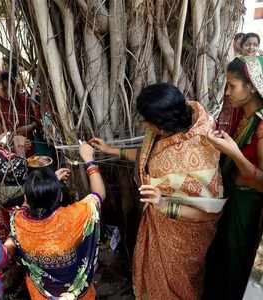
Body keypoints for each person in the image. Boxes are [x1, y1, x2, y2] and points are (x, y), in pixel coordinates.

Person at [90, 83, 225, 299]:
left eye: (146, 120)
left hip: (183, 237)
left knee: (180, 286)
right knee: (155, 277)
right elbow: (148, 156)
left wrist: (164, 205)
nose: (143, 123)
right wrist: (110, 149)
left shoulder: (198, 153)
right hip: (157, 223)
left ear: (161, 125)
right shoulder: (165, 133)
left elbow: (210, 211)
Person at [203, 56, 263, 300]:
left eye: (232, 86)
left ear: (253, 86)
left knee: (237, 262)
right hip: (232, 199)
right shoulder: (241, 116)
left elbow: (262, 181)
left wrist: (233, 153)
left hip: (248, 206)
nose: (227, 93)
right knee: (223, 259)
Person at [5, 142, 106, 299]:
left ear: (27, 196)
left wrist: (46, 185)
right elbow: (99, 194)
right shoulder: (75, 217)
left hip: (41, 293)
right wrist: (89, 160)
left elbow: (25, 204)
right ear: (59, 196)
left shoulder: (17, 220)